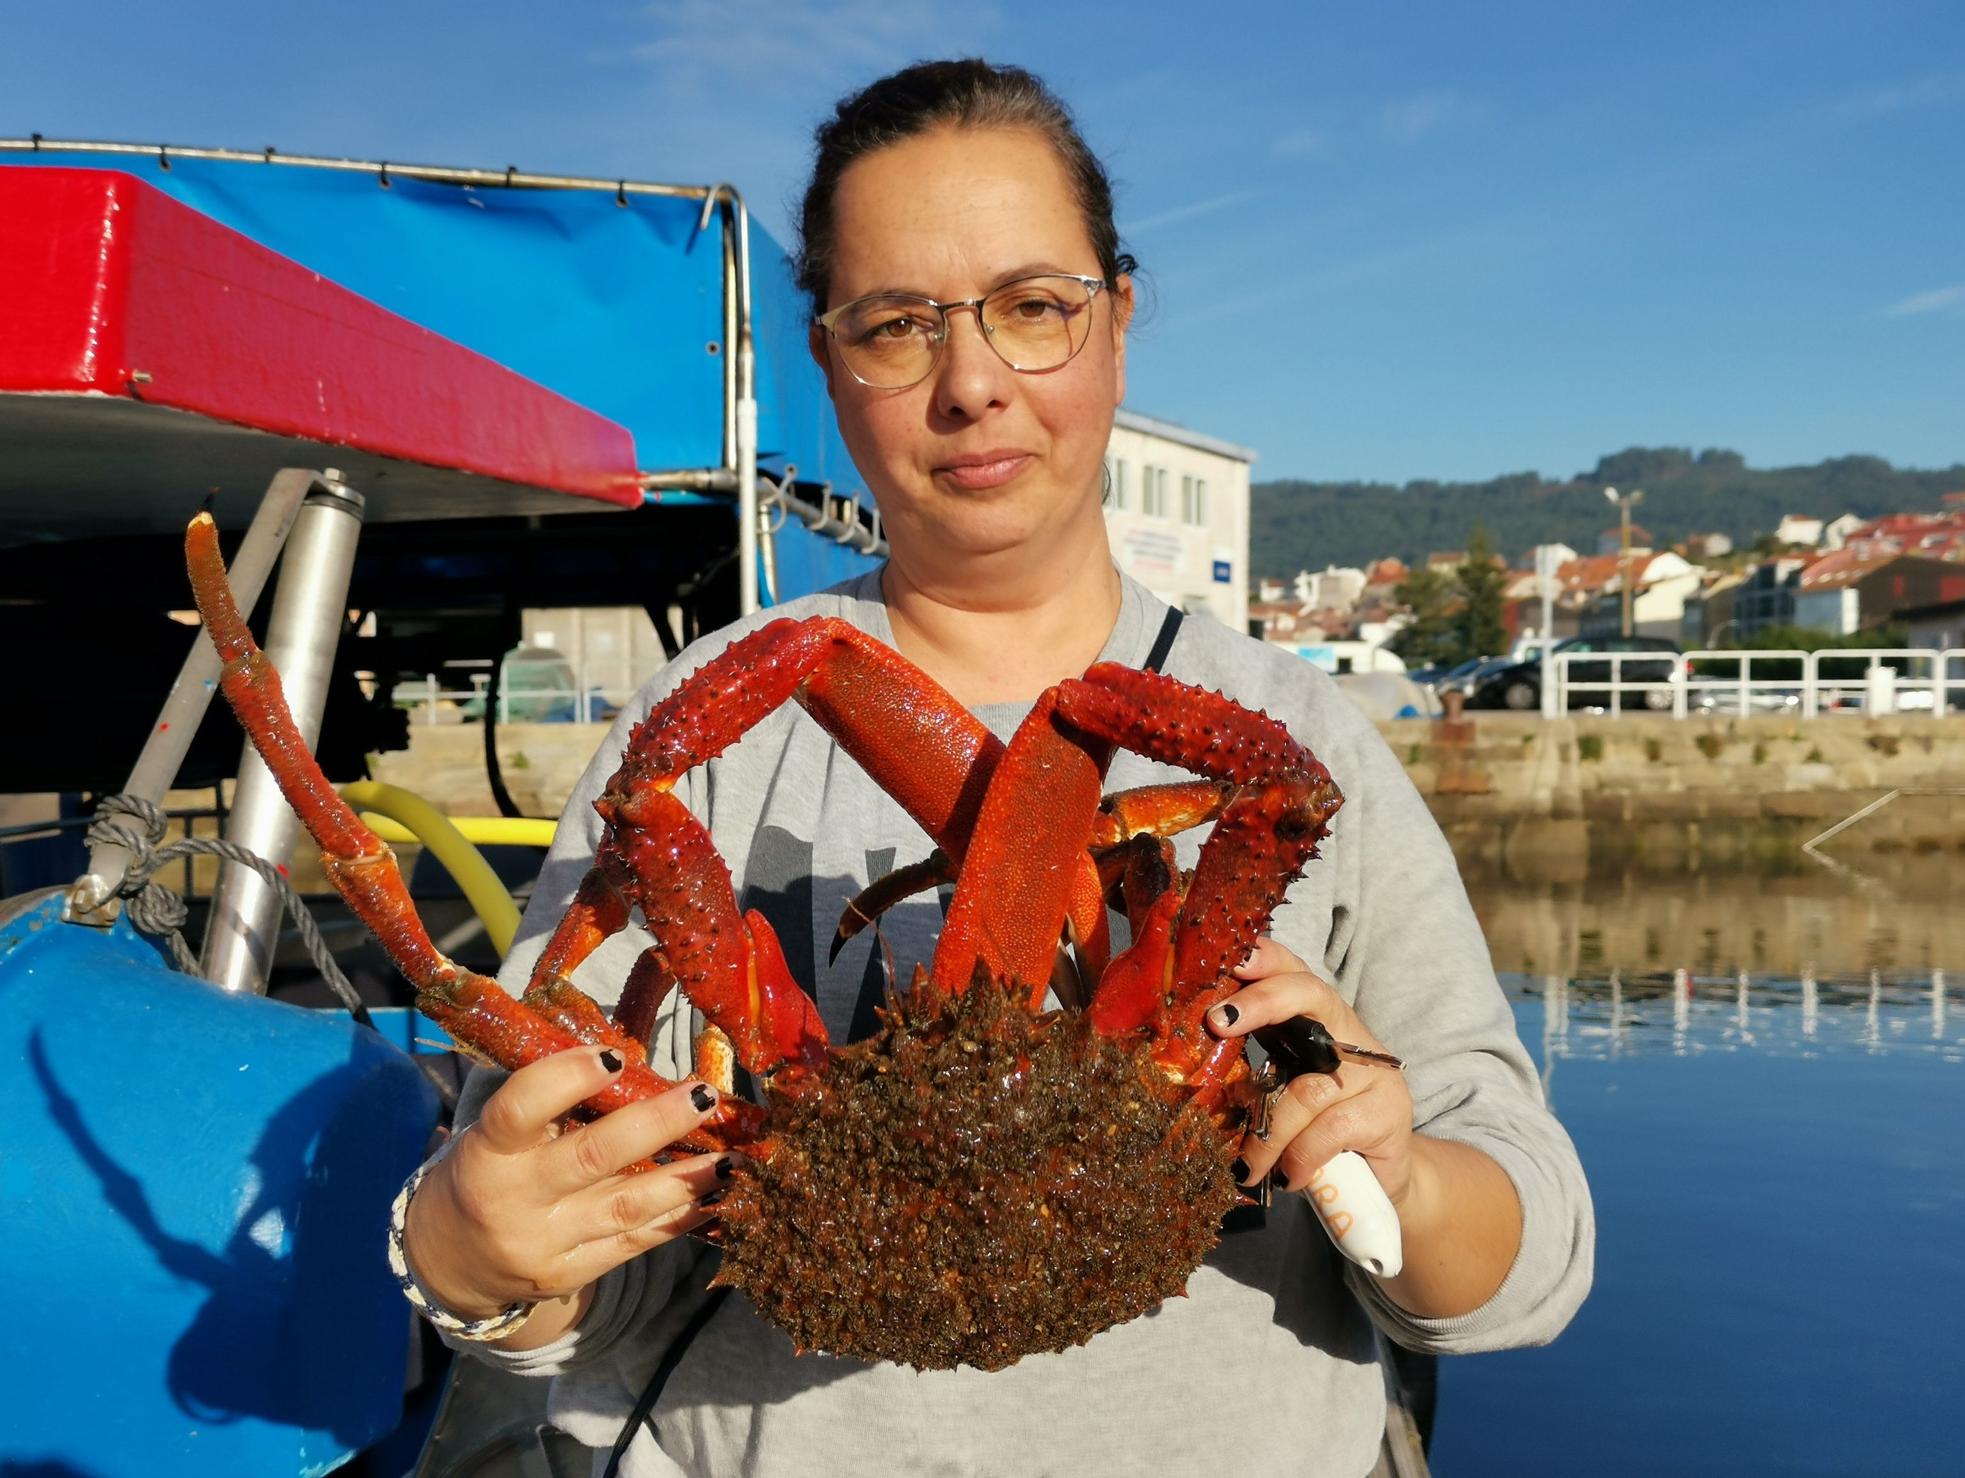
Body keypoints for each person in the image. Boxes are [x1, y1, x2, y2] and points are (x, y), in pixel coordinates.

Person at [398, 58, 1593, 1477]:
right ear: (827, 359)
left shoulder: (1298, 738)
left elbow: (1529, 1256)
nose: (971, 384)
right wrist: (477, 1253)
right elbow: (571, 1272)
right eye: (897, 325)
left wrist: (1394, 1170)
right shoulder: (697, 737)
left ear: (1117, 323)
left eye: (1033, 308)